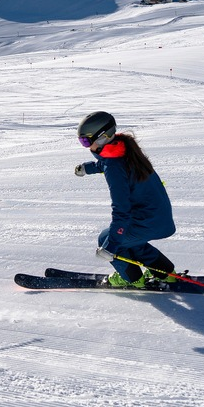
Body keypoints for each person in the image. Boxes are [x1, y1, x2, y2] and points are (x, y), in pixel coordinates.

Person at [74, 111, 179, 288]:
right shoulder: (125, 148)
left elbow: (121, 210)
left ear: (101, 138)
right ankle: (166, 274)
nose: (85, 145)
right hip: (160, 219)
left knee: (106, 238)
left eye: (85, 141)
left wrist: (110, 246)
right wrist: (88, 168)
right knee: (132, 241)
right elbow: (108, 163)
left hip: (149, 222)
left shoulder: (114, 168)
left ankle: (131, 278)